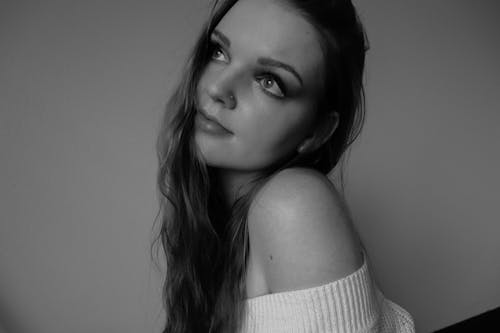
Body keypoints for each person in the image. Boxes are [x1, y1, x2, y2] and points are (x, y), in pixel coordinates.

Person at [153, 0, 416, 332]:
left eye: (269, 81)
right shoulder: (212, 229)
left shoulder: (292, 204)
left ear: (316, 132)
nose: (217, 88)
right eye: (218, 52)